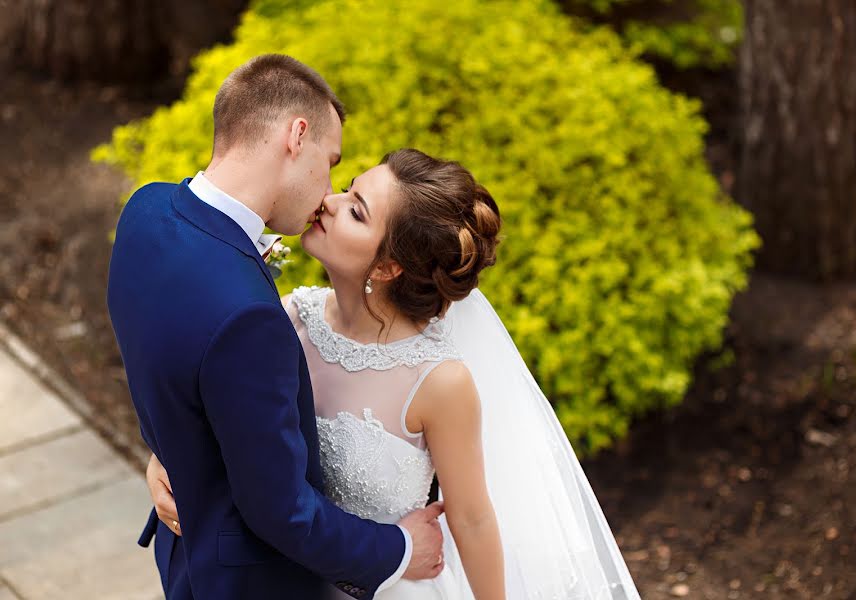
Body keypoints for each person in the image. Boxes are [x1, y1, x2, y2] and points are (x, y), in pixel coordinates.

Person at [147, 147, 643, 599]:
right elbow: (218, 416)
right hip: (279, 582)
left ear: (386, 268)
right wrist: (163, 461)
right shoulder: (288, 318)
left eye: (356, 211)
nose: (329, 201)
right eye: (347, 189)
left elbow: (470, 519)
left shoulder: (438, 382)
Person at [107, 55, 446, 600]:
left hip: (185, 551)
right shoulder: (248, 317)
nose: (328, 190)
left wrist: (170, 450)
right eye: (331, 162)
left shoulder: (144, 211)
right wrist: (400, 549)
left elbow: (174, 368)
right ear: (297, 136)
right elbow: (280, 509)